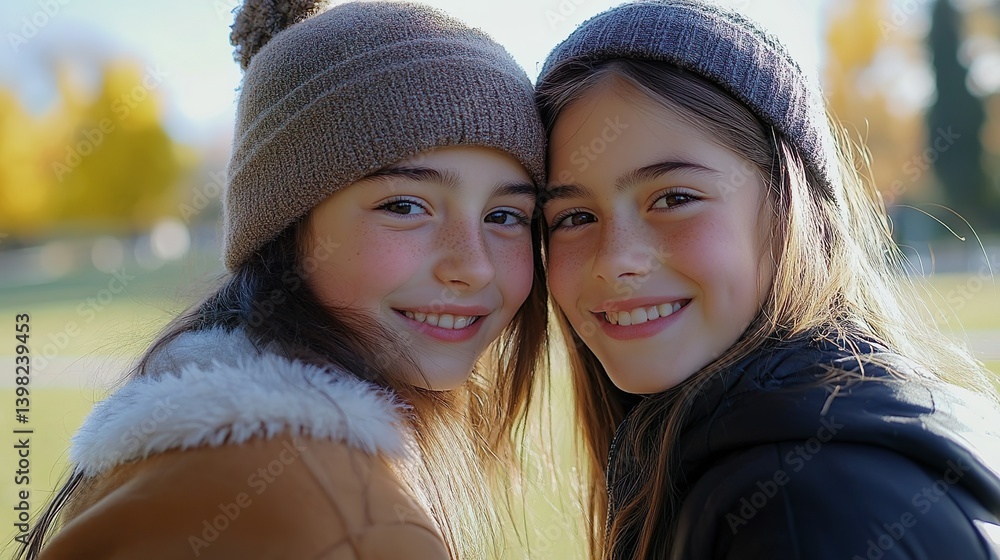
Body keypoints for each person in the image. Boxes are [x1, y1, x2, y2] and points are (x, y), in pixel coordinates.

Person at [17, 1, 548, 558]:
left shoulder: (203, 450)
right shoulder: (329, 513)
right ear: (283, 229)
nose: (474, 265)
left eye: (505, 215)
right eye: (405, 205)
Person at [534, 1, 1000, 558]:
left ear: (791, 209)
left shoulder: (805, 507)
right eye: (574, 217)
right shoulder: (750, 458)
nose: (615, 260)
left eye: (675, 198)